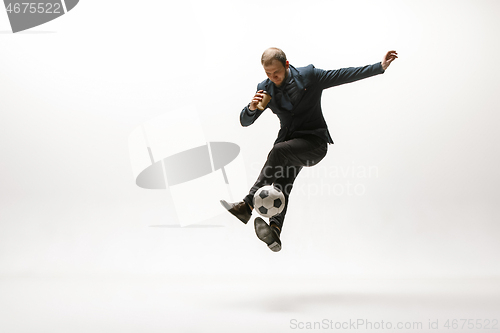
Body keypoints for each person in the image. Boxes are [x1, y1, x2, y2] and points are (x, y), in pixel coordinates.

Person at [221, 47, 398, 252]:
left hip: (314, 144)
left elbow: (343, 75)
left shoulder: (309, 76)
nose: (272, 78)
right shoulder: (266, 88)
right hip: (290, 144)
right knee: (280, 185)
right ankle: (275, 231)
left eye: (276, 73)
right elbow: (245, 122)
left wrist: (380, 66)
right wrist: (251, 108)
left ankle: (247, 204)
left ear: (286, 65)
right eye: (267, 74)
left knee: (278, 151)